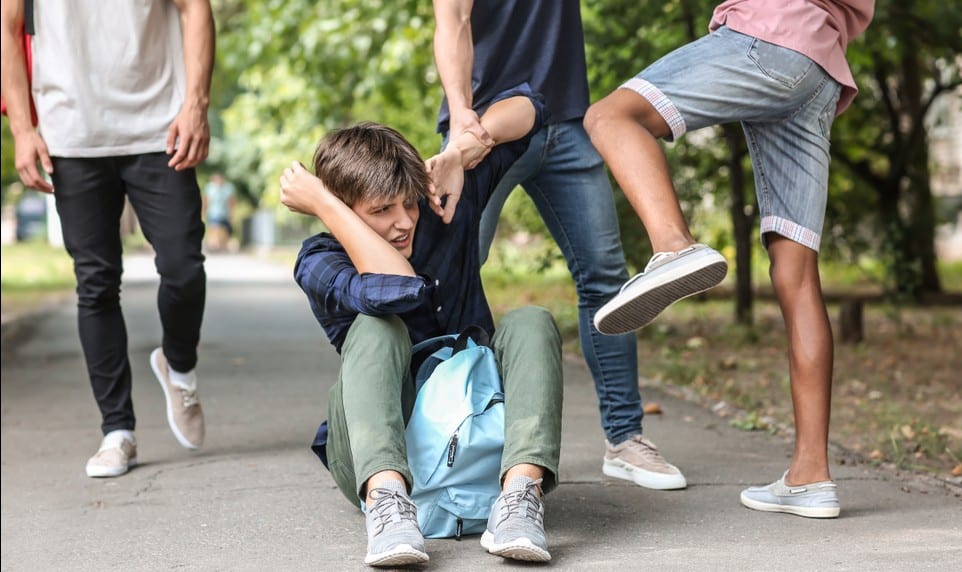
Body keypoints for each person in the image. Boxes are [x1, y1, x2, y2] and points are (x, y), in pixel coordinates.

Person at [583, 0, 875, 518]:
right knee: (798, 275)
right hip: (820, 65)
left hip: (767, 35)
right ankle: (810, 476)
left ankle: (674, 247)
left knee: (610, 116)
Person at [280, 91, 562, 566]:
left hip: (478, 431)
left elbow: (536, 109)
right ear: (344, 211)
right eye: (381, 210)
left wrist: (458, 151)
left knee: (532, 321)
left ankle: (519, 498)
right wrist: (328, 207)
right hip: (379, 456)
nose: (403, 221)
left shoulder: (441, 204)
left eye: (407, 204)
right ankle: (389, 507)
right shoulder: (319, 259)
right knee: (376, 329)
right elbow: (398, 290)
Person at [431, 0, 686, 492]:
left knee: (605, 278)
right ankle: (451, 436)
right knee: (451, 277)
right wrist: (462, 114)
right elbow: (453, 21)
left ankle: (625, 438)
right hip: (482, 131)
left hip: (566, 120)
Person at [1, 0, 214, 478]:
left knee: (184, 266)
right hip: (71, 133)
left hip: (160, 127)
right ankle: (117, 432)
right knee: (95, 283)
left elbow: (195, 8)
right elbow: (7, 25)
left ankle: (179, 366)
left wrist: (195, 104)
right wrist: (21, 128)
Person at [203, 172, 236, 252]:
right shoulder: (209, 187)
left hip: (225, 213)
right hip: (213, 212)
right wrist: (204, 211)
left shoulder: (228, 188)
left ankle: (223, 245)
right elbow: (206, 200)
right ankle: (214, 245)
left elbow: (231, 201)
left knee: (225, 230)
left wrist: (231, 213)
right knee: (214, 228)